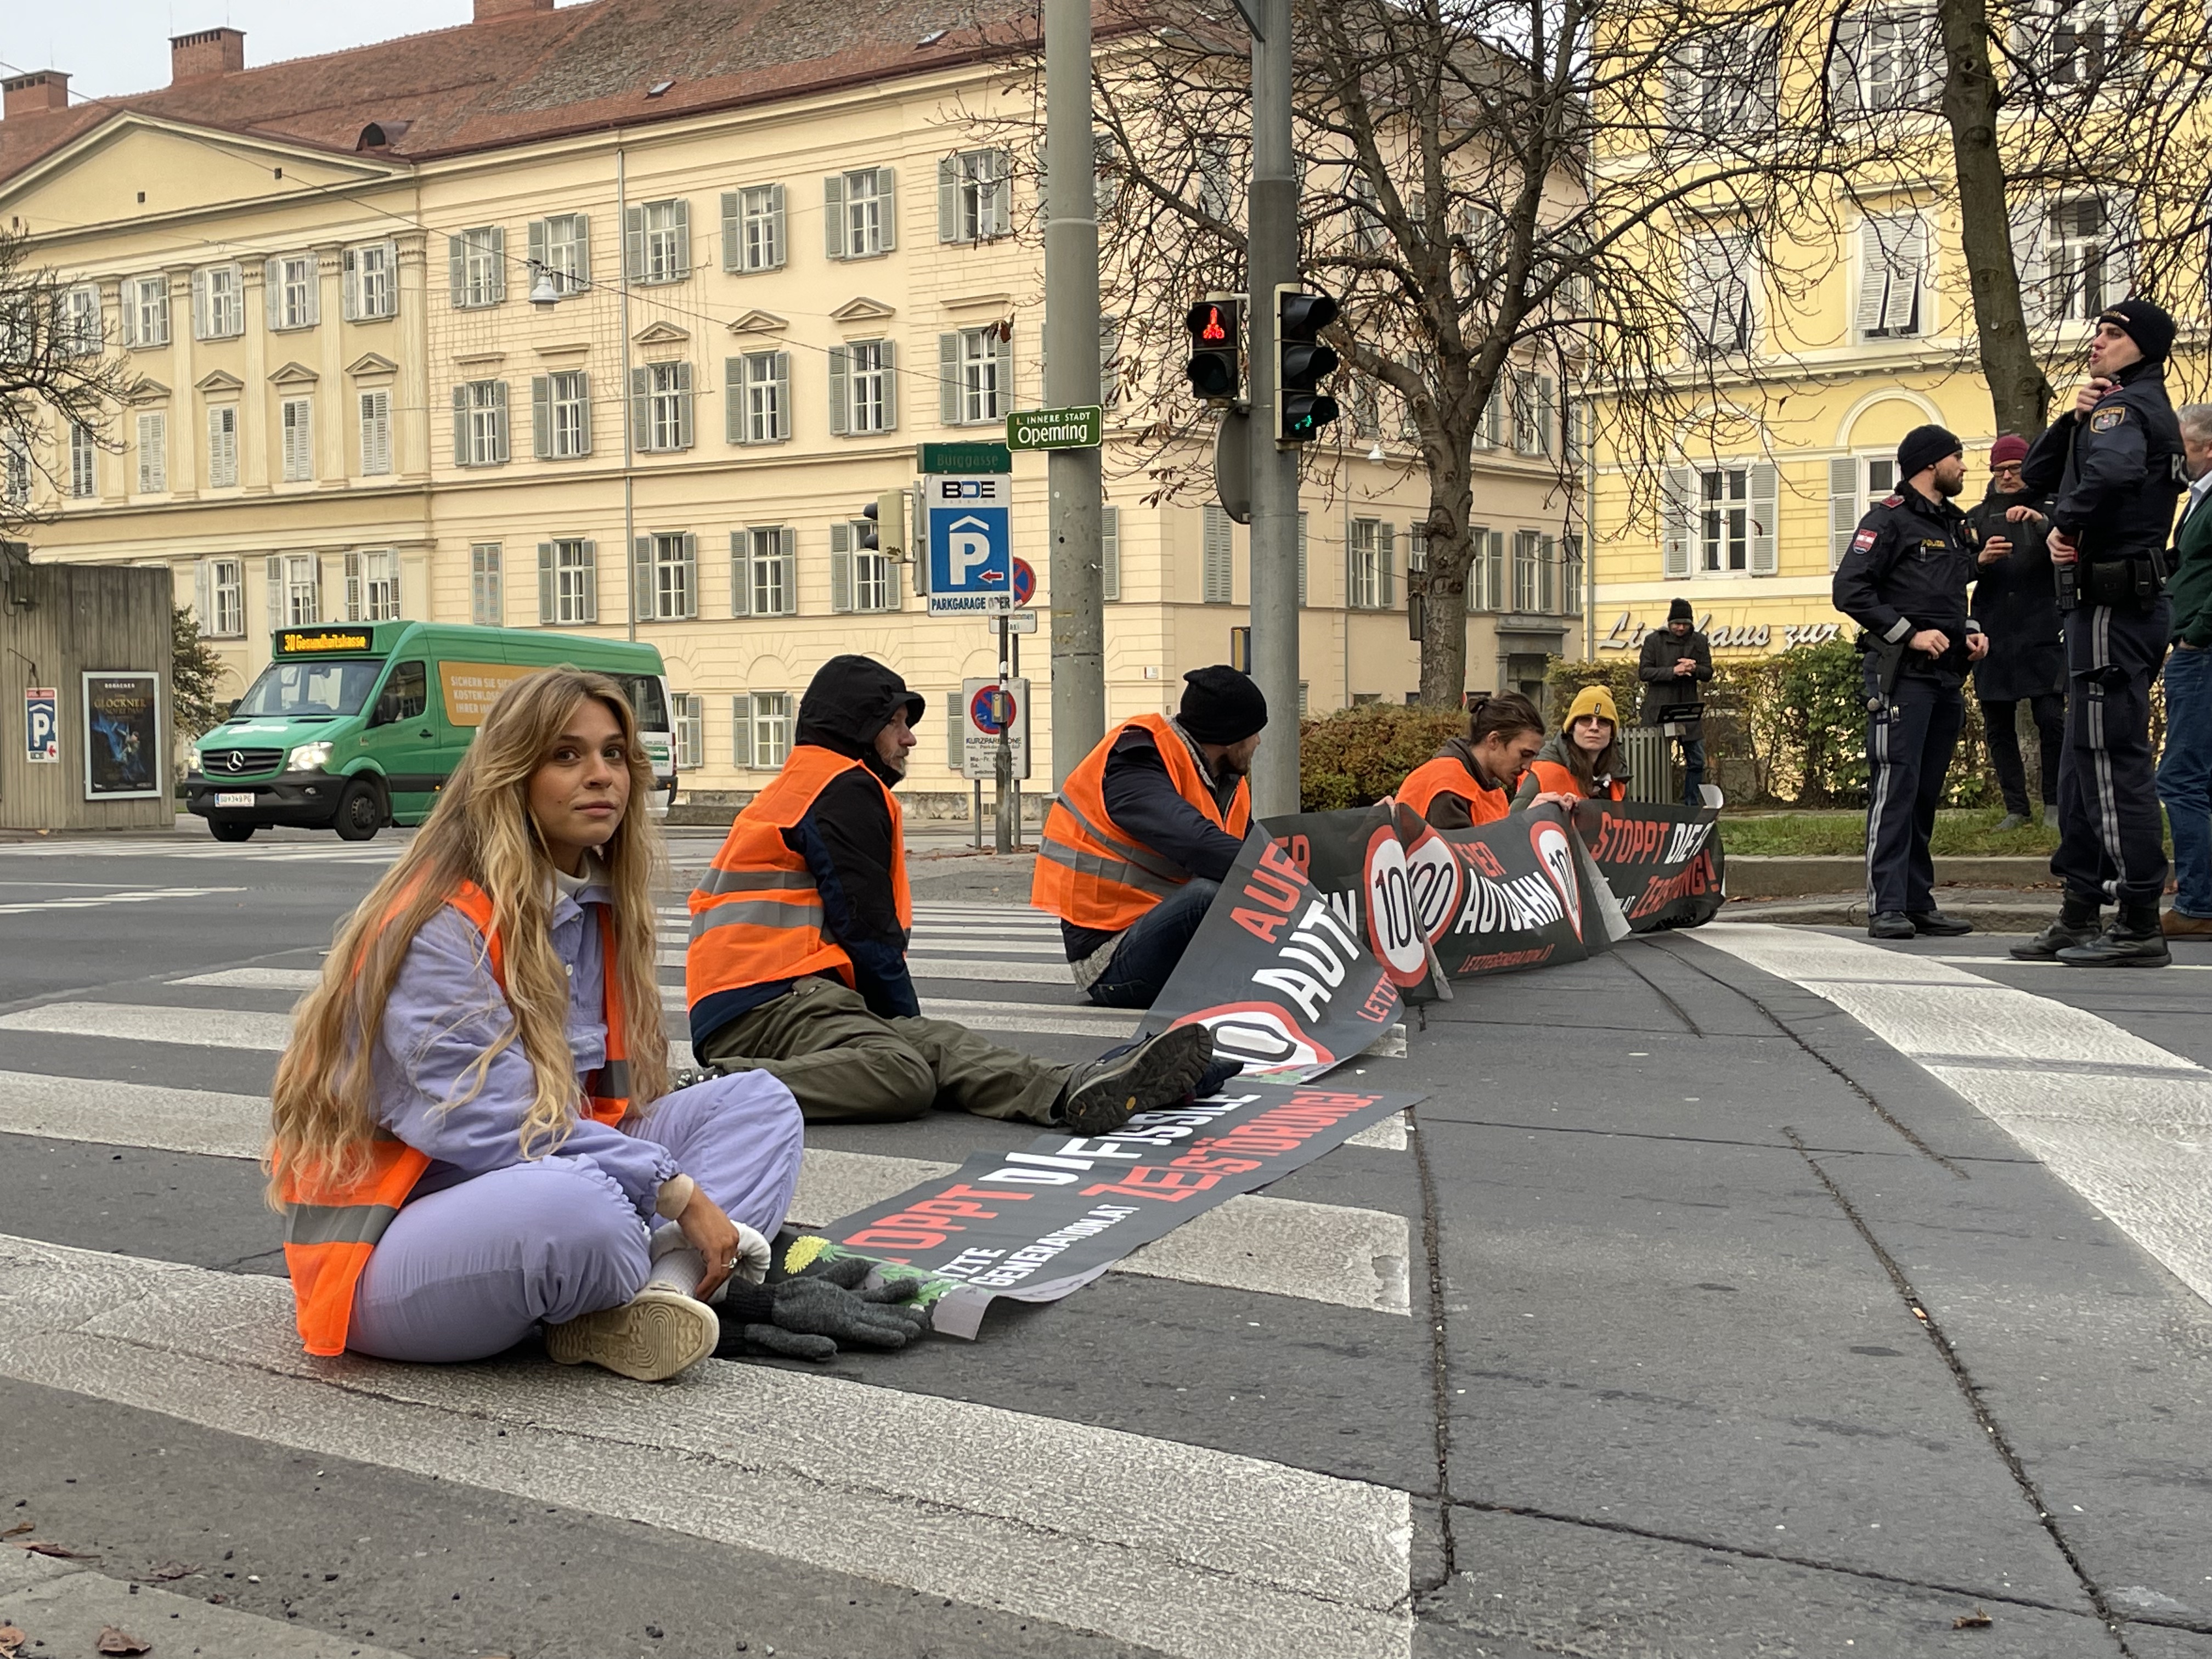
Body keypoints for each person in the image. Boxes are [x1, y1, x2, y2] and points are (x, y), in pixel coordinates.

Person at [267, 668, 909, 1386]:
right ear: (511, 776)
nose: (600, 776)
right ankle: (657, 1269)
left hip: (541, 1184)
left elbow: (613, 1103)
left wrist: (671, 1189)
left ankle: (666, 1302)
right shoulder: (440, 924)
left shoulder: (593, 909)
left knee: (759, 1104)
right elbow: (493, 1125)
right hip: (396, 1247)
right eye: (567, 756)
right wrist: (678, 1195)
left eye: (614, 756)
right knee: (585, 1208)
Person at [692, 654, 1216, 1130]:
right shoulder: (841, 788)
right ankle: (717, 1091)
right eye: (897, 723)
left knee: (943, 1046)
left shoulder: (812, 781)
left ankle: (1078, 1085)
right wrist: (902, 1026)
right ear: (862, 727)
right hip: (766, 1003)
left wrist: (913, 1030)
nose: (909, 739)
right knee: (902, 1071)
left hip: (779, 995)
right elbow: (868, 929)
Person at [2015, 298, 2184, 967]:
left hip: (2115, 604)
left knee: (2112, 759)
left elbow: (2110, 475)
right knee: (2081, 762)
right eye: (2097, 333)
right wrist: (2071, 418)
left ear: (2140, 347)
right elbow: (2034, 475)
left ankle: (2138, 917)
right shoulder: (2110, 412)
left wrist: (2066, 526)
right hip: (2097, 607)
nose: (2096, 343)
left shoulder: (2131, 409)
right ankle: (2081, 909)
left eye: (2111, 335)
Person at [1832, 424, 1988, 941]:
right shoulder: (1888, 521)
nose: (1964, 467)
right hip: (1900, 677)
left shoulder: (1952, 524)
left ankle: (1919, 901)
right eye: (1957, 457)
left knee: (1924, 793)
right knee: (1895, 789)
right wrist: (1909, 635)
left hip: (1945, 678)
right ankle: (1888, 905)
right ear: (1929, 464)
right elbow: (1850, 590)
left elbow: (1945, 598)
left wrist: (1969, 631)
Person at [1032, 665, 1265, 1009]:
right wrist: (1286, 879)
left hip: (1155, 932)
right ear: (1230, 736)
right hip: (1109, 958)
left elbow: (1254, 849)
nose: (1258, 742)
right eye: (1254, 733)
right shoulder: (1135, 760)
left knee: (1237, 887)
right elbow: (1196, 843)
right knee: (1207, 896)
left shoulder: (1226, 784)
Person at [1965, 433, 2064, 830]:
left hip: (2042, 628)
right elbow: (1957, 570)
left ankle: (2055, 805)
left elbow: (2071, 547)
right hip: (1993, 632)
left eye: (2014, 469)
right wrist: (1981, 560)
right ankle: (2016, 808)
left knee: (2052, 718)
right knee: (1998, 723)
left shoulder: (2051, 506)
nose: (2007, 476)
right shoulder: (1974, 517)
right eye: (1999, 470)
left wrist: (2041, 524)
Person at [2154, 403, 2212, 939]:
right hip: (2194, 648)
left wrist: (2197, 631)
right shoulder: (2197, 500)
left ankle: (2199, 904)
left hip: (2202, 654)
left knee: (2181, 778)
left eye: (2181, 443)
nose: (2175, 453)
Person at [1394, 691, 1547, 828]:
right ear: (1494, 740)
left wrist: (1526, 823)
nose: (1528, 766)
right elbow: (1469, 857)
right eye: (1525, 754)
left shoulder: (1491, 790)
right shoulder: (1447, 787)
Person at [1638, 599, 1713, 807]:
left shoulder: (1699, 641)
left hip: (1688, 710)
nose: (1681, 628)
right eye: (1677, 623)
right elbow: (1644, 672)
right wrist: (1673, 671)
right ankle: (1654, 804)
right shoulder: (1654, 641)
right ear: (1669, 622)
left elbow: (1708, 673)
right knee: (1653, 763)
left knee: (1697, 760)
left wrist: (1695, 668)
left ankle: (1690, 804)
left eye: (1685, 624)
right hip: (1659, 709)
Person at [1513, 684, 1630, 807]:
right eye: (1585, 720)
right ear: (1571, 728)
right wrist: (1530, 815)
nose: (1594, 727)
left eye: (1603, 721)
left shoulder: (1617, 779)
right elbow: (1512, 823)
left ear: (1612, 733)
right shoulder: (1543, 773)